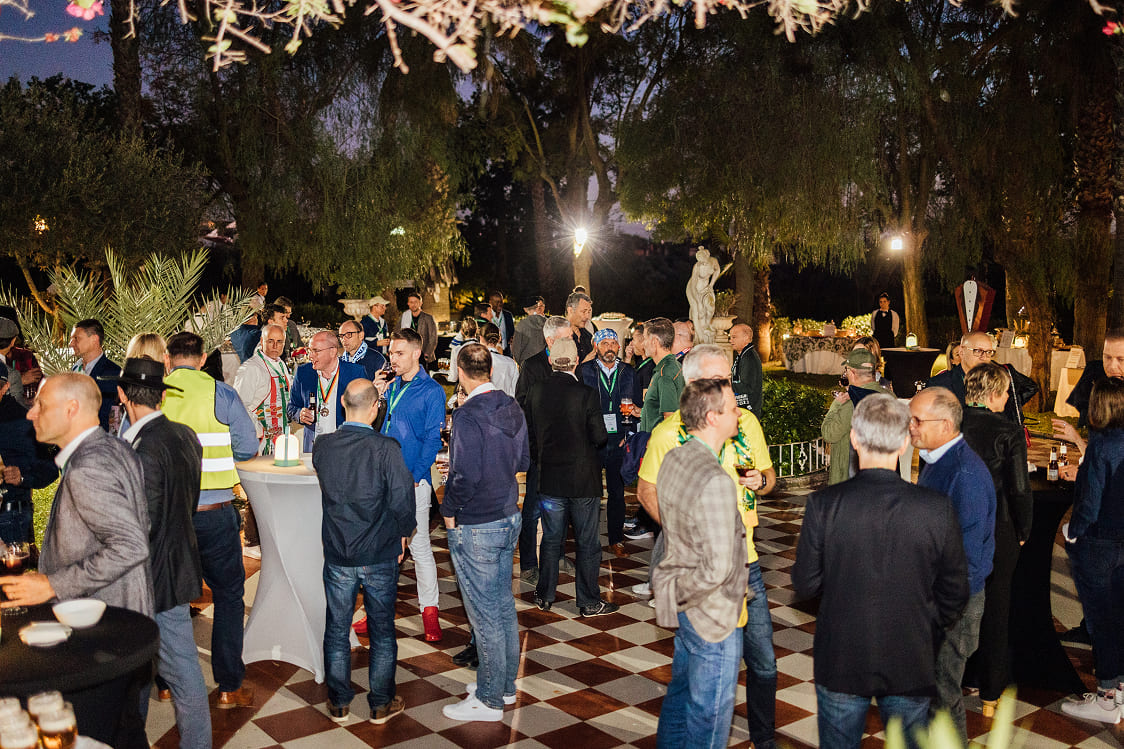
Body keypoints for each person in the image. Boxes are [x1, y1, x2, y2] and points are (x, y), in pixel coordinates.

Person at [792, 394, 969, 749]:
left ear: (854, 439)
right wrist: (926, 623)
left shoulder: (824, 504)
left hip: (842, 655)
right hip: (911, 656)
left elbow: (805, 583)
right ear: (904, 443)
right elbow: (956, 590)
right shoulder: (935, 508)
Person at [1, 373, 153, 748]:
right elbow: (142, 524)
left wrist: (51, 584)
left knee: (98, 731)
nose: (30, 413)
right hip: (124, 623)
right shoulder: (115, 448)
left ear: (71, 409)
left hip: (100, 630)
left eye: (41, 405)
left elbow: (131, 545)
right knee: (125, 730)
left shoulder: (89, 467)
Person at [638, 344, 779, 748]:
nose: (728, 389)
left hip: (745, 560)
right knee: (708, 697)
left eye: (728, 380)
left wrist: (761, 482)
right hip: (712, 577)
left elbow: (769, 478)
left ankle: (763, 739)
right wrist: (687, 536)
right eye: (717, 382)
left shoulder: (744, 422)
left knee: (761, 665)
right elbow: (647, 491)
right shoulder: (670, 435)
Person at [112, 358, 212, 749]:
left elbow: (142, 527)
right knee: (142, 667)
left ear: (122, 396)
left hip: (151, 578)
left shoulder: (141, 449)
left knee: (182, 673)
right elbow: (187, 503)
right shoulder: (185, 435)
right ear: (163, 396)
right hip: (176, 564)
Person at [162, 331, 259, 709]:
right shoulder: (222, 394)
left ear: (168, 359)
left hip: (170, 516)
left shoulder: (157, 394)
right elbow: (247, 448)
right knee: (229, 596)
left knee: (167, 598)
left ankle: (166, 682)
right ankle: (229, 686)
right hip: (215, 515)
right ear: (203, 359)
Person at [313, 379, 416, 726]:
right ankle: (380, 703)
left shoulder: (323, 446)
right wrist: (404, 534)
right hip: (379, 551)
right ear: (375, 409)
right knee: (382, 631)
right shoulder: (386, 448)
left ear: (343, 403)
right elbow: (403, 500)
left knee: (336, 629)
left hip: (338, 551)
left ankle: (339, 702)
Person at [653, 377, 748, 749]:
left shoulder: (675, 457)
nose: (739, 413)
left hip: (685, 610)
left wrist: (675, 592)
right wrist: (682, 592)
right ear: (712, 417)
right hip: (713, 618)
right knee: (708, 721)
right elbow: (717, 568)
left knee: (679, 699)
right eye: (733, 409)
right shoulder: (715, 480)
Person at [440, 343, 530, 722]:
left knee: (485, 615)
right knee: (503, 607)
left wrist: (448, 510)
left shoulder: (467, 415)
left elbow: (465, 476)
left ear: (460, 373)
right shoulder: (511, 406)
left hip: (477, 522)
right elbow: (524, 460)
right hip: (509, 515)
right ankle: (504, 686)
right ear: (490, 370)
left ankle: (490, 699)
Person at [910, 386, 996, 743]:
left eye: (918, 420)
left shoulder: (965, 474)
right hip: (937, 598)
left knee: (943, 694)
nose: (911, 427)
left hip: (954, 605)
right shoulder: (936, 459)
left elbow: (970, 560)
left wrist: (943, 612)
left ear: (946, 425)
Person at [960, 363, 1033, 717]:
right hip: (998, 526)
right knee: (996, 607)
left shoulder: (950, 424)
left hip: (956, 524)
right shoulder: (1008, 431)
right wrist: (1024, 530)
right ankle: (990, 693)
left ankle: (957, 674)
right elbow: (1019, 489)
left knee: (956, 602)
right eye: (1005, 393)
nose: (1007, 400)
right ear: (992, 394)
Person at [526, 337, 617, 617]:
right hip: (583, 481)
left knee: (551, 539)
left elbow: (530, 435)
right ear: (577, 361)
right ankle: (588, 602)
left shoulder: (536, 391)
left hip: (550, 479)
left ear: (551, 360)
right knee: (587, 542)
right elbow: (600, 437)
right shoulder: (586, 393)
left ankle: (544, 594)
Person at [1057, 377, 1124, 724]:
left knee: (1101, 622)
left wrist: (1073, 533)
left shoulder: (1101, 445)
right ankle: (1121, 691)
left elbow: (1090, 503)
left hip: (1098, 544)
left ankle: (1106, 699)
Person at [373, 328, 446, 641]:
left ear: (417, 353)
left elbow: (432, 440)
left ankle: (430, 612)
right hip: (383, 478)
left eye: (399, 353)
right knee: (381, 549)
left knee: (419, 547)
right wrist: (377, 394)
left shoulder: (432, 391)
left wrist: (415, 477)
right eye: (391, 352)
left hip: (412, 481)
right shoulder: (389, 387)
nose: (393, 358)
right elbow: (374, 427)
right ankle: (376, 612)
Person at [514, 315, 573, 584]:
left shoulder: (572, 363)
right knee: (533, 509)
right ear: (550, 340)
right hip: (540, 450)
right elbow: (521, 404)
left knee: (561, 505)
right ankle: (528, 563)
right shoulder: (533, 365)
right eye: (567, 338)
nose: (572, 342)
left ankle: (558, 554)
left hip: (566, 450)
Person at [578, 328, 638, 557]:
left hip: (618, 440)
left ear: (619, 347)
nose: (609, 348)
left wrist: (629, 435)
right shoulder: (585, 371)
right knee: (590, 493)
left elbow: (637, 405)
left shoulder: (628, 372)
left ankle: (616, 539)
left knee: (617, 493)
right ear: (596, 347)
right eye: (605, 343)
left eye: (613, 343)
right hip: (592, 440)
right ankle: (588, 541)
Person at [927, 331, 1038, 427]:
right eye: (978, 351)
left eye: (989, 352)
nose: (984, 357)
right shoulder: (939, 384)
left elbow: (1030, 387)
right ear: (961, 352)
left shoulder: (1002, 376)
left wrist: (1011, 405)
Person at [0, 362, 57, 544]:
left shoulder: (23, 421)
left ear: (5, 387)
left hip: (9, 520)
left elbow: (50, 468)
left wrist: (22, 477)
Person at [822, 348, 893, 485]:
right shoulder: (889, 396)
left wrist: (836, 405)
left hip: (850, 482)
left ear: (852, 373)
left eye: (847, 370)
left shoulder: (852, 402)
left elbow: (829, 433)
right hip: (885, 476)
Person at [288, 331, 367, 452]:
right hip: (313, 448)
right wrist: (299, 414)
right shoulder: (303, 373)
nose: (310, 356)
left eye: (316, 351)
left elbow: (366, 411)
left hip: (345, 447)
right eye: (309, 350)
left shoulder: (355, 373)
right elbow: (291, 407)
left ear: (333, 351)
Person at [234, 324, 293, 453]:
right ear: (261, 341)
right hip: (259, 442)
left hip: (280, 439)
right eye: (270, 341)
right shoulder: (250, 368)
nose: (275, 346)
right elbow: (239, 407)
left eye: (279, 342)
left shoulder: (281, 364)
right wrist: (259, 432)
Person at [69, 318, 122, 431]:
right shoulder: (75, 368)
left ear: (94, 339)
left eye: (76, 339)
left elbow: (112, 417)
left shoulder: (113, 373)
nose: (71, 344)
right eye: (71, 339)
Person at [638, 317, 683, 434]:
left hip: (658, 442)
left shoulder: (665, 374)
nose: (643, 344)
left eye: (645, 338)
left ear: (654, 342)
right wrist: (643, 412)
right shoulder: (673, 366)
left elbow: (669, 418)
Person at [686, 247, 720, 344]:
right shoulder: (697, 267)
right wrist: (697, 300)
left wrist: (711, 284)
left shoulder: (713, 261)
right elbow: (693, 284)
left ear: (707, 256)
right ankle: (699, 336)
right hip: (694, 289)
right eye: (699, 261)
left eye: (703, 260)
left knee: (711, 308)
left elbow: (717, 270)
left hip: (706, 288)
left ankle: (707, 325)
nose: (702, 263)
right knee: (698, 309)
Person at [730, 323, 763, 416]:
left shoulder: (749, 358)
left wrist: (725, 384)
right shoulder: (744, 355)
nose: (730, 340)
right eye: (730, 337)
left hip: (748, 411)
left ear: (746, 338)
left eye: (734, 337)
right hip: (745, 409)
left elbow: (747, 387)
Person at [399, 290, 437, 369]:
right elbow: (397, 332)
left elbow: (433, 338)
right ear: (408, 303)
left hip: (423, 354)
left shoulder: (428, 318)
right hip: (408, 353)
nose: (413, 304)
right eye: (411, 302)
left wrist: (427, 353)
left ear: (420, 303)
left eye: (416, 302)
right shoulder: (404, 316)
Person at [481, 323, 518, 397]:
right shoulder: (510, 363)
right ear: (499, 338)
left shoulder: (478, 361)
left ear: (481, 338)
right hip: (506, 402)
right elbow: (515, 390)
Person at [511, 296, 546, 365]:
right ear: (537, 307)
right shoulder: (548, 323)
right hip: (545, 363)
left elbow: (516, 349)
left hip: (527, 363)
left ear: (525, 309)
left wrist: (521, 364)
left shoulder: (521, 325)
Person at [446, 318, 478, 385]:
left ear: (462, 332)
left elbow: (453, 378)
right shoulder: (484, 348)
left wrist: (445, 377)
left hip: (465, 386)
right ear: (476, 330)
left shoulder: (457, 350)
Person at [565, 291, 595, 363]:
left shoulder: (587, 336)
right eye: (583, 312)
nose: (587, 317)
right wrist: (584, 363)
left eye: (589, 312)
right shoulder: (559, 336)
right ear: (570, 310)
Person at [486, 291, 516, 357]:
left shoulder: (508, 315)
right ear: (490, 302)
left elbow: (512, 333)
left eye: (501, 302)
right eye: (497, 302)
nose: (499, 304)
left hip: (506, 353)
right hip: (492, 354)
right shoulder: (487, 316)